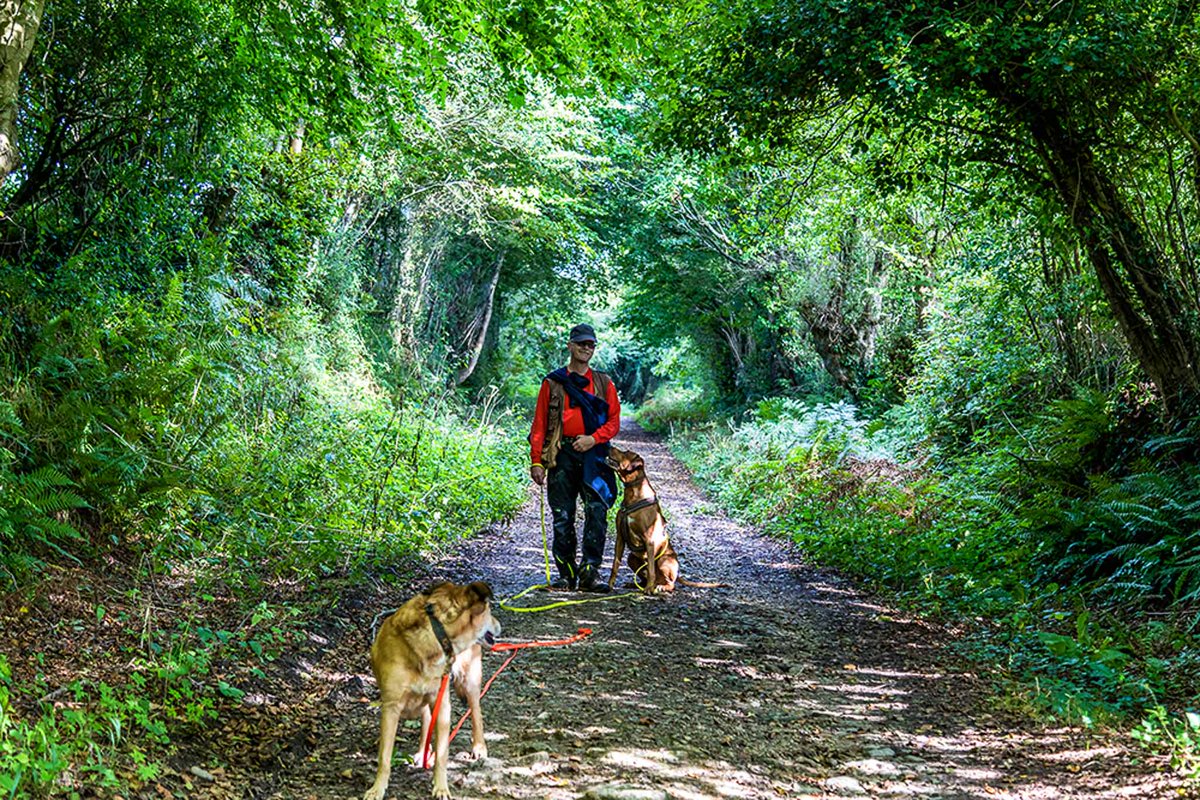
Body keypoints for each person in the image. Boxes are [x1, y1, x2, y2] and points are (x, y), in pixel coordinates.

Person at [529, 323, 621, 592]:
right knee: (562, 515)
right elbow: (539, 424)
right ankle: (565, 575)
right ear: (570, 345)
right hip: (562, 455)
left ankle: (590, 575)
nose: (585, 348)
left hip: (596, 454)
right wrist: (537, 461)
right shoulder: (553, 382)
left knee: (597, 512)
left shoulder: (604, 383)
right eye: (581, 343)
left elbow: (614, 421)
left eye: (590, 344)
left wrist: (593, 438)